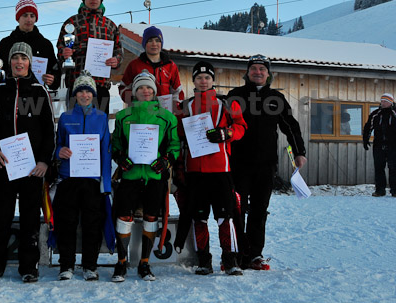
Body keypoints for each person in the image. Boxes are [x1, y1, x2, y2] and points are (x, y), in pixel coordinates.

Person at [0, 42, 55, 284]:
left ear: (30, 62)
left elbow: (48, 132)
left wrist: (44, 161)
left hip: (32, 168)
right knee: (1, 216)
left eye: (24, 57)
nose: (19, 62)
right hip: (4, 165)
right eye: (15, 58)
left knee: (30, 217)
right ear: (10, 62)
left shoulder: (39, 90)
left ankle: (28, 267)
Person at [227, 54, 306, 271]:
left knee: (259, 210)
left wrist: (299, 152)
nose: (258, 72)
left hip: (265, 164)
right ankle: (235, 254)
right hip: (239, 163)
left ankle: (254, 254)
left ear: (268, 73)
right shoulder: (236, 95)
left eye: (262, 69)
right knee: (237, 209)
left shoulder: (276, 98)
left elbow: (290, 126)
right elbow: (222, 122)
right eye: (254, 69)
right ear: (248, 72)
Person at [173, 61, 247, 276]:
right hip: (194, 170)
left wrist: (227, 134)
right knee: (199, 217)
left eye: (207, 77)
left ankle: (230, 259)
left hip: (220, 169)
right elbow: (177, 133)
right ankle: (204, 260)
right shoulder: (185, 106)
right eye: (199, 78)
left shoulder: (226, 103)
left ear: (213, 80)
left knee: (225, 217)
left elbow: (241, 127)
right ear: (193, 80)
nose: (203, 81)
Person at [110, 71, 179, 282]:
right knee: (123, 217)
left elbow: (175, 146)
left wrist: (166, 161)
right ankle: (121, 262)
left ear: (155, 91)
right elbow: (116, 144)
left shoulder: (167, 117)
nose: (145, 91)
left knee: (151, 217)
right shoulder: (123, 116)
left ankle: (145, 263)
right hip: (130, 176)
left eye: (149, 88)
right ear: (135, 91)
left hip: (154, 177)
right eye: (140, 88)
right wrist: (120, 158)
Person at [54, 70, 112, 281]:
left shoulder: (102, 118)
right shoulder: (66, 117)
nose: (85, 95)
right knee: (66, 222)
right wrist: (59, 152)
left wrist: (105, 181)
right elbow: (58, 144)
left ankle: (90, 265)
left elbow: (106, 150)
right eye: (81, 91)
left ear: (93, 95)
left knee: (92, 222)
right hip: (68, 177)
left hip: (92, 179)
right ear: (75, 95)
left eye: (88, 91)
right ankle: (66, 265)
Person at [57, 0, 123, 114]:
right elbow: (60, 48)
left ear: (101, 0)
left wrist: (116, 60)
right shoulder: (72, 22)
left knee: (98, 128)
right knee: (75, 128)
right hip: (76, 84)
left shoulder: (110, 25)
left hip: (101, 85)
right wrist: (64, 53)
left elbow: (118, 50)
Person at [0, 0, 61, 90]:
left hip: (35, 95)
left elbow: (55, 69)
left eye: (32, 16)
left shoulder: (45, 44)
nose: (29, 19)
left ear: (36, 19)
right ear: (18, 18)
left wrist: (53, 80)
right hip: (10, 93)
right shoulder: (6, 43)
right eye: (25, 15)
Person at [119, 26, 184, 111]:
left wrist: (175, 106)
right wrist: (135, 99)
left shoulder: (170, 66)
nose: (154, 44)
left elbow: (177, 91)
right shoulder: (134, 65)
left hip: (163, 113)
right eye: (150, 41)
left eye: (157, 40)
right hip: (141, 113)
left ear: (161, 43)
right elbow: (123, 88)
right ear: (144, 44)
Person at [363, 93, 396, 197]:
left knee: (394, 168)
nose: (383, 103)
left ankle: (394, 190)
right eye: (382, 101)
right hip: (378, 145)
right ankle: (380, 190)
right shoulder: (375, 114)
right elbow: (368, 127)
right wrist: (365, 140)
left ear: (390, 102)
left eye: (385, 101)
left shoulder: (395, 113)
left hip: (393, 146)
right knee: (379, 168)